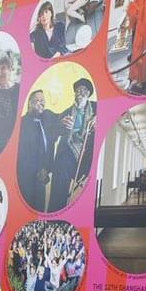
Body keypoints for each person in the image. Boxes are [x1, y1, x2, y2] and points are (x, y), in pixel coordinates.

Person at [49, 78, 96, 211]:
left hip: (88, 153)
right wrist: (60, 125)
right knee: (60, 177)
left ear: (89, 94)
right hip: (68, 152)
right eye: (78, 90)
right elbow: (52, 133)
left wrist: (99, 118)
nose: (80, 93)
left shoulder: (97, 108)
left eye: (84, 90)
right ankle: (56, 214)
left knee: (84, 192)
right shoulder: (66, 112)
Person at [17, 90, 58, 211]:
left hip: (42, 177)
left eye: (43, 101)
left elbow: (48, 147)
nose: (42, 104)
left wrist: (46, 169)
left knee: (39, 212)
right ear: (30, 103)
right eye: (38, 100)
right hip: (25, 179)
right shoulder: (21, 124)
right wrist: (37, 170)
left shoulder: (46, 121)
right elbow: (22, 153)